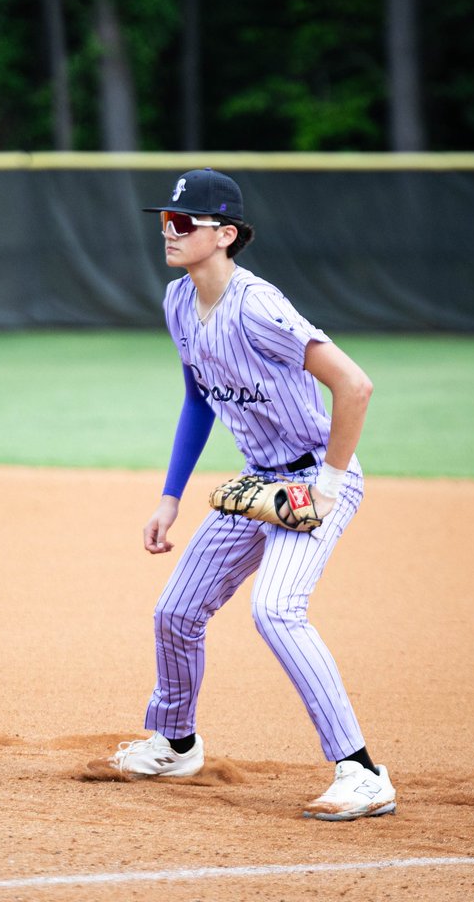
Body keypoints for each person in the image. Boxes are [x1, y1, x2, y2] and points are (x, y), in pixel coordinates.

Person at [94, 168, 396, 821]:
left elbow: (355, 385)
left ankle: (362, 771)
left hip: (315, 473)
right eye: (164, 221)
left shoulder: (258, 306)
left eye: (183, 222)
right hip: (260, 480)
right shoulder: (178, 301)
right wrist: (170, 496)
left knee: (277, 609)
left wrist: (329, 486)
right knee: (176, 611)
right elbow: (198, 398)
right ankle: (175, 743)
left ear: (225, 234)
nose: (168, 232)